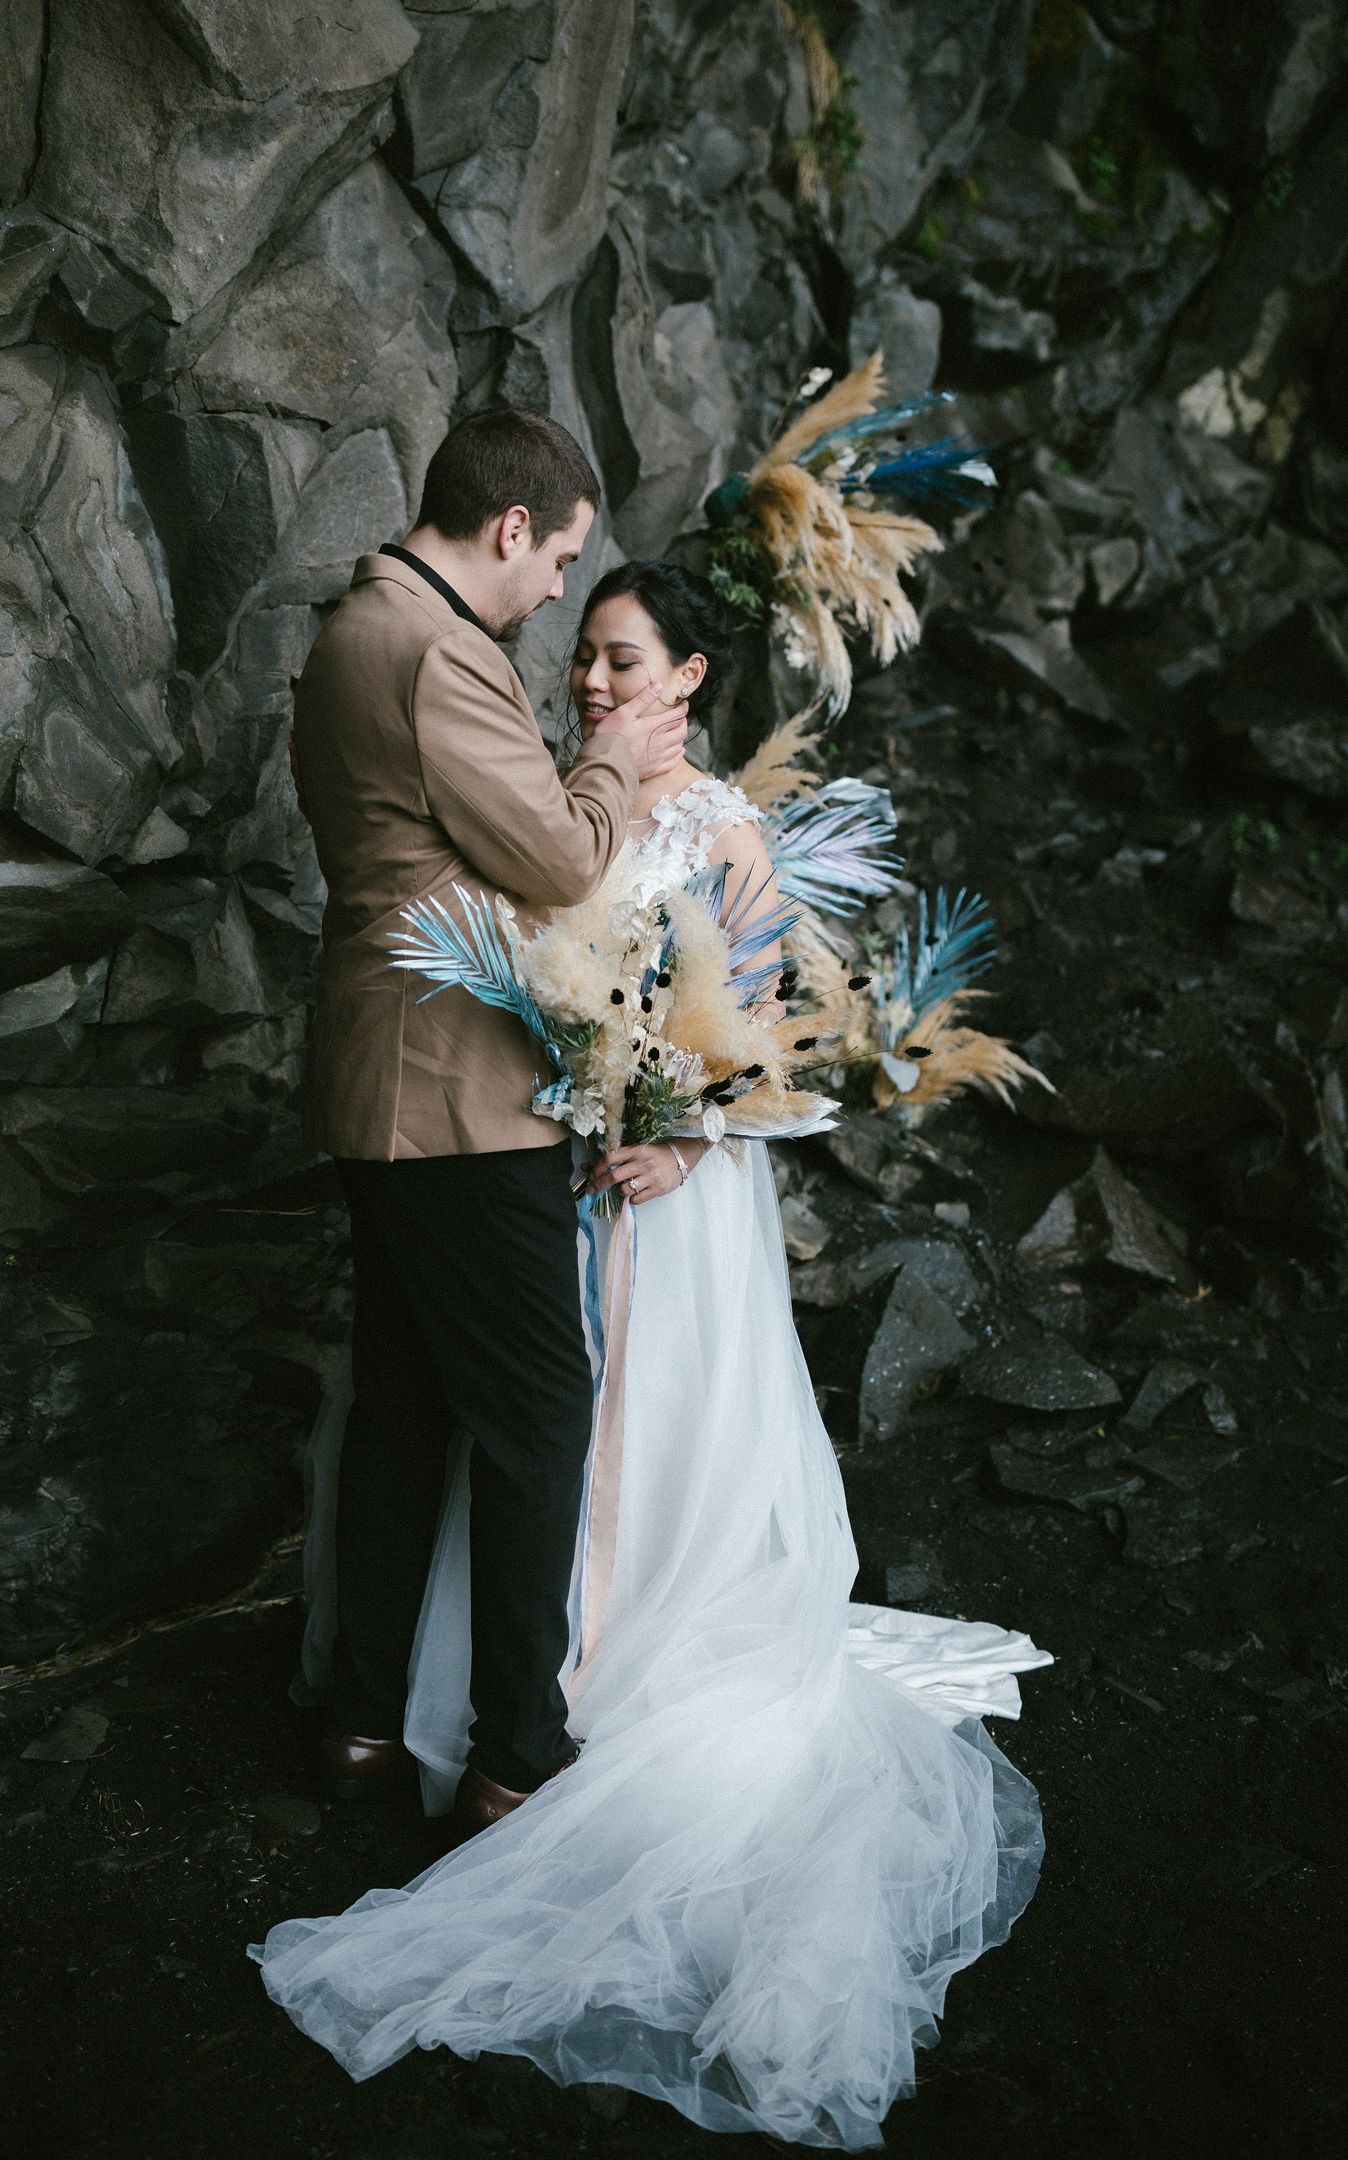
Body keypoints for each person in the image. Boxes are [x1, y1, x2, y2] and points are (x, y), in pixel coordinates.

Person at [257, 561, 1050, 2150]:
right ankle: (502, 1693)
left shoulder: (727, 835)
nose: (595, 688)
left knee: (631, 1430)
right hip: (546, 1173)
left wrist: (680, 1139)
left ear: (692, 673)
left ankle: (604, 1683)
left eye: (623, 664)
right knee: (526, 1420)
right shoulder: (567, 799)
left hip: (669, 1198)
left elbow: (753, 1032)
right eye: (586, 664)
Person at [290, 410, 690, 1836]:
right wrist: (623, 753)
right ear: (512, 527)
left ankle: (360, 1729)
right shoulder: (429, 650)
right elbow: (569, 865)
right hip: (455, 1098)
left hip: (380, 1087)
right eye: (559, 564)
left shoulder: (358, 627)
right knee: (535, 1415)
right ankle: (518, 1756)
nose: (553, 606)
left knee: (406, 1416)